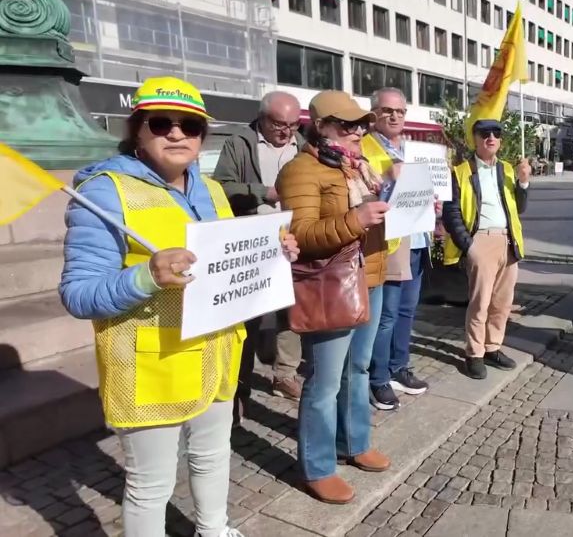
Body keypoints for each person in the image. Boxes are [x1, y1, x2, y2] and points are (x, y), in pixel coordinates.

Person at [58, 76, 299, 537]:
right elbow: (78, 293)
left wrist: (273, 252)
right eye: (161, 123)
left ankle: (214, 529)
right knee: (152, 485)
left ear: (202, 136)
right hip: (153, 365)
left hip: (216, 354)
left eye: (190, 126)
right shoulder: (105, 192)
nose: (176, 133)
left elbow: (228, 257)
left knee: (213, 455)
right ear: (137, 128)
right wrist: (146, 276)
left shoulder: (210, 190)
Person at [277, 90, 391, 504]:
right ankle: (318, 466)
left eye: (360, 124)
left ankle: (355, 443)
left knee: (358, 369)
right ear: (321, 126)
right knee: (323, 382)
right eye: (347, 124)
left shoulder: (359, 167)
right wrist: (356, 218)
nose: (357, 131)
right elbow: (302, 235)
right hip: (332, 284)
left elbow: (370, 223)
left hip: (370, 277)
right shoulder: (300, 170)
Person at [213, 90, 306, 424]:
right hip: (252, 241)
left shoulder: (303, 144)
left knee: (290, 312)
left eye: (293, 125)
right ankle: (239, 390)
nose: (287, 131)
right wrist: (262, 192)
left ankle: (285, 375)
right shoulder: (239, 143)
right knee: (247, 320)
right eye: (279, 124)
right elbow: (220, 186)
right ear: (263, 118)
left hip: (292, 239)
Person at [441, 119, 531, 380]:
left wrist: (524, 182)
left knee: (502, 302)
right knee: (480, 302)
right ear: (475, 139)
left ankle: (493, 347)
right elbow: (451, 213)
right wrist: (469, 246)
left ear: (500, 140)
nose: (490, 137)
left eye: (496, 133)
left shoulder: (507, 169)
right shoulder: (460, 172)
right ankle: (474, 353)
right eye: (484, 133)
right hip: (480, 240)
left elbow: (520, 207)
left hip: (508, 241)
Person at [360, 87, 432, 411]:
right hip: (388, 240)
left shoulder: (413, 149)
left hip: (416, 239)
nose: (394, 116)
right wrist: (388, 177)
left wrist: (434, 203)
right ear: (374, 113)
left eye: (400, 111)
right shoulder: (365, 146)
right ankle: (378, 379)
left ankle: (399, 367)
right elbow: (361, 192)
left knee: (406, 311)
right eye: (387, 110)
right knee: (385, 316)